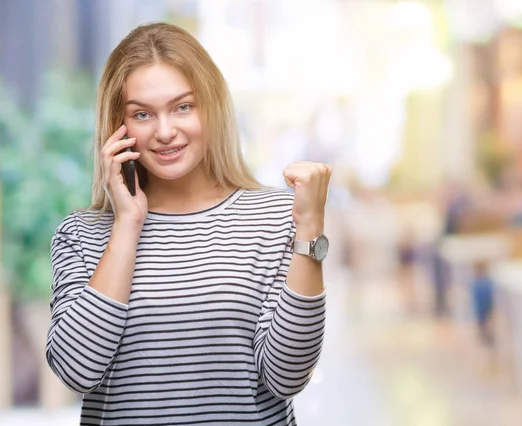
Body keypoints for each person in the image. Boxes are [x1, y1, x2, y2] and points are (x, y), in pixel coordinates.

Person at [46, 22, 332, 425]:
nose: (165, 132)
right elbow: (77, 372)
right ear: (118, 128)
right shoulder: (81, 235)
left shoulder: (273, 218)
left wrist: (309, 231)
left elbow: (286, 377)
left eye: (183, 106)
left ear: (210, 106)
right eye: (143, 114)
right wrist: (127, 224)